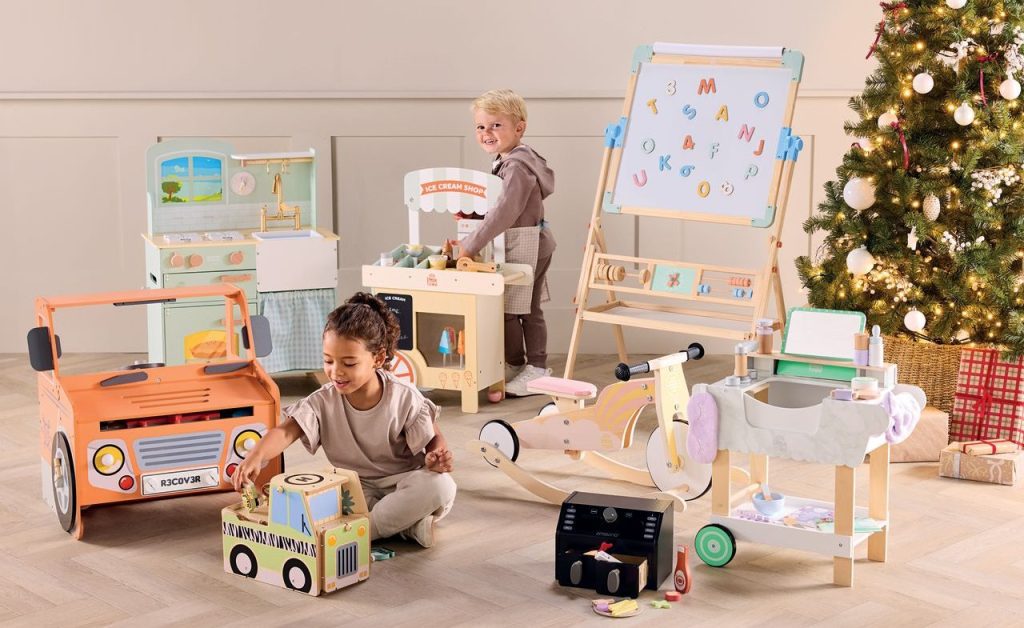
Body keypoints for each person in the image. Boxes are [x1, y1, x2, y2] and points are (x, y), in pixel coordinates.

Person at [232, 292, 456, 548]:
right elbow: (286, 431)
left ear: (378, 358)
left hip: (404, 483)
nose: (336, 371)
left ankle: (364, 531)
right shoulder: (322, 401)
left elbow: (433, 435)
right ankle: (407, 526)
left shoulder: (402, 395)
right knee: (310, 499)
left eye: (349, 363)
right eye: (328, 361)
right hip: (354, 488)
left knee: (441, 487)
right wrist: (256, 457)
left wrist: (436, 455)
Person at [455, 88, 556, 397]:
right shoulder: (506, 160)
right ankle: (515, 362)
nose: (486, 133)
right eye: (480, 126)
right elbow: (499, 205)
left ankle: (536, 367)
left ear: (519, 128)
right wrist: (472, 215)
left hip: (529, 244)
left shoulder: (517, 167)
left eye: (496, 125)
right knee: (508, 308)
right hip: (514, 242)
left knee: (528, 309)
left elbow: (505, 211)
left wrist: (471, 244)